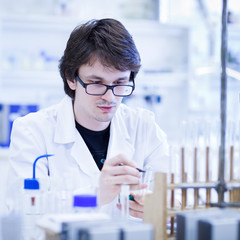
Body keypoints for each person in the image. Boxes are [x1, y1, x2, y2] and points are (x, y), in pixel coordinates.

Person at [6, 18, 169, 218]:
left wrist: (164, 206)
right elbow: (21, 216)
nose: (110, 97)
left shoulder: (144, 125)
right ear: (71, 78)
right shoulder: (32, 132)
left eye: (120, 83)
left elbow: (172, 193)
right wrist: (96, 194)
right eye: (96, 83)